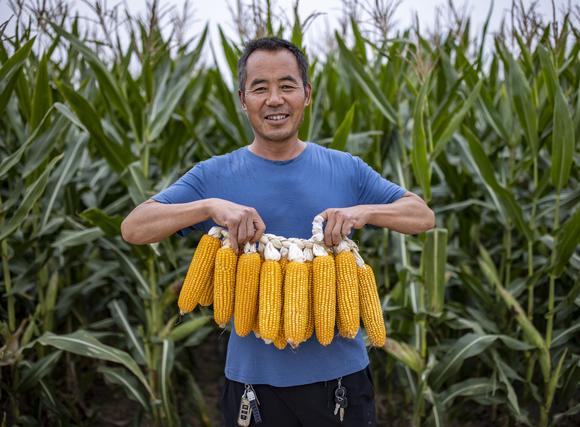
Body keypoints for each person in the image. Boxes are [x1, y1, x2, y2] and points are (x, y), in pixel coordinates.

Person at [121, 36, 435, 426]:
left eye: (286, 86)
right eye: (260, 88)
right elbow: (134, 228)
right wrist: (208, 207)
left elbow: (421, 216)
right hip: (253, 386)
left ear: (306, 94)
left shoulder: (346, 169)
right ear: (242, 99)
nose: (274, 99)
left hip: (342, 383)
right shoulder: (213, 176)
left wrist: (364, 211)